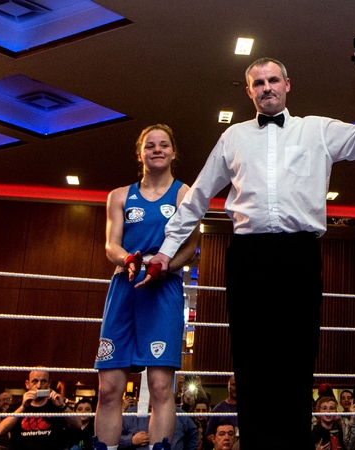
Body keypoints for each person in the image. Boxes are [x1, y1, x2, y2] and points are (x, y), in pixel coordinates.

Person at [143, 55, 355, 450]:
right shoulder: (233, 136)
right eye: (258, 83)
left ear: (287, 84)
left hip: (299, 253)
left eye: (273, 80)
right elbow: (198, 196)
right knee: (250, 357)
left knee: (298, 354)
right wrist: (165, 251)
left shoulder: (316, 129)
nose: (267, 88)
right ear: (248, 91)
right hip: (248, 255)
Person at [93, 124, 198, 450]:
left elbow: (191, 247)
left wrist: (164, 265)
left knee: (160, 387)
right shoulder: (119, 196)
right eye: (150, 145)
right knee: (109, 388)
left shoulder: (184, 194)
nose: (157, 150)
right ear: (140, 154)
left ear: (173, 152)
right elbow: (111, 245)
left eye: (163, 145)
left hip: (164, 288)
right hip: (125, 285)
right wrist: (127, 259)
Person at [0, 369, 81, 450]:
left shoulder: (56, 405)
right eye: (35, 381)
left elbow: (78, 425)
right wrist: (23, 407)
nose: (39, 386)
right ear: (27, 384)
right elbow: (0, 430)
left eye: (43, 381)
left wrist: (62, 406)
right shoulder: (17, 406)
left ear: (49, 384)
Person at [119, 405, 198, 450]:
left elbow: (193, 435)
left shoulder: (180, 414)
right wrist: (131, 440)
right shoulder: (131, 414)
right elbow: (115, 439)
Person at [204, 377, 237, 446]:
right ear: (228, 387)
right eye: (233, 385)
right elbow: (209, 435)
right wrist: (223, 439)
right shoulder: (218, 409)